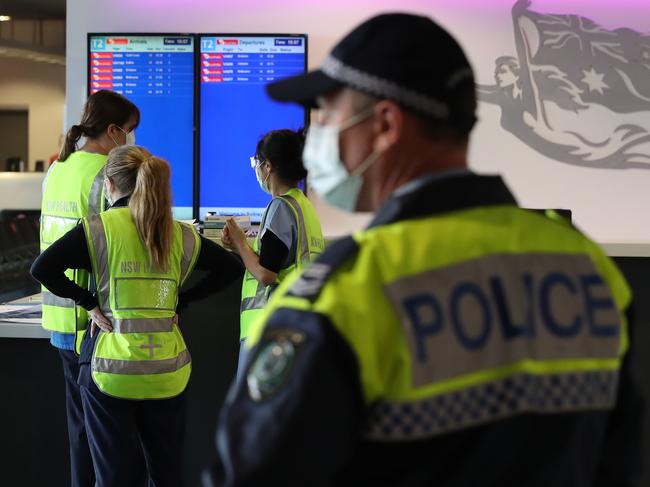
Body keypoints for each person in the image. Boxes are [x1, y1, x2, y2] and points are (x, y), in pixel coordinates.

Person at [203, 13, 643, 487]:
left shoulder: (346, 295)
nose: (316, 138)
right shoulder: (586, 267)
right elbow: (619, 460)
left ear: (387, 124)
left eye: (326, 112)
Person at [32, 145, 243, 487]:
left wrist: (88, 302)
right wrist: (182, 301)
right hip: (166, 370)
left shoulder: (100, 229)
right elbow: (231, 268)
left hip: (109, 371)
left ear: (110, 184)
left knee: (113, 477)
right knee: (165, 474)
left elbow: (43, 267)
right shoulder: (179, 233)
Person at [39, 89, 140, 487]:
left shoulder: (58, 168)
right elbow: (117, 239)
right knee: (108, 439)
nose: (132, 140)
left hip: (62, 316)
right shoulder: (105, 174)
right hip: (95, 319)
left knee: (79, 432)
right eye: (130, 131)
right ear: (113, 130)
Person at [221, 129, 324, 373]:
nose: (256, 170)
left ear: (268, 166)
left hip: (271, 328)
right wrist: (239, 247)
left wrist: (239, 240)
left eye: (256, 163)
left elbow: (266, 273)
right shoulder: (304, 206)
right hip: (298, 323)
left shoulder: (280, 207)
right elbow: (280, 263)